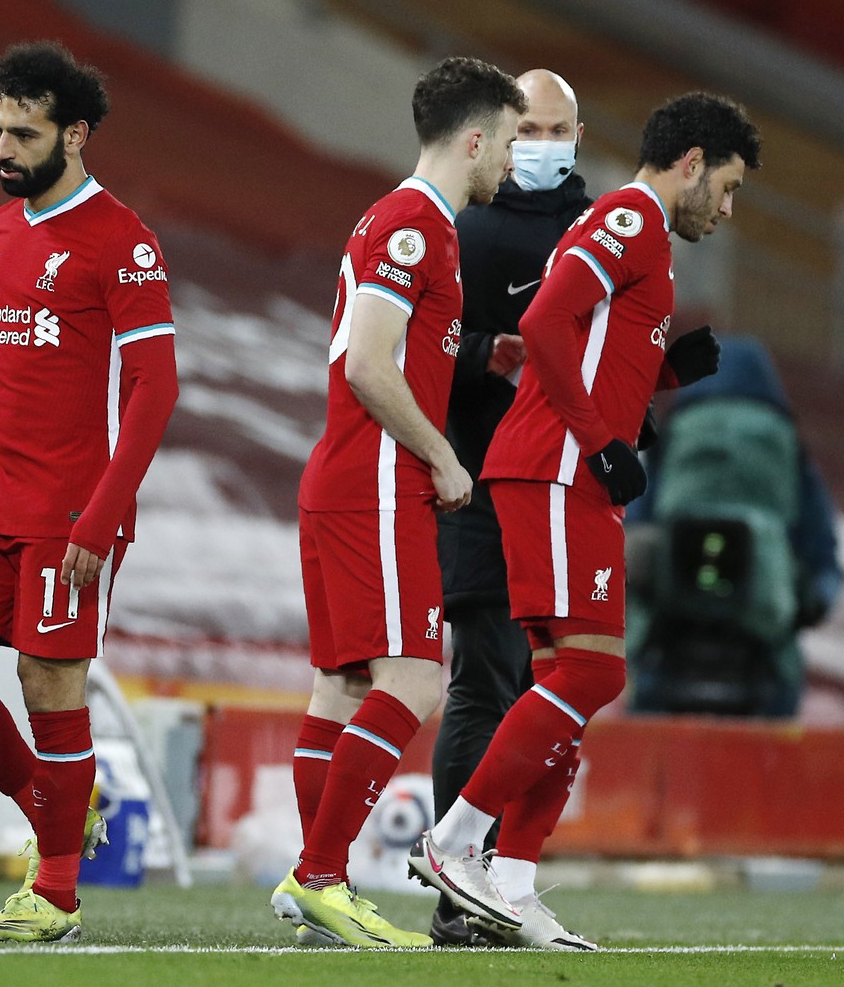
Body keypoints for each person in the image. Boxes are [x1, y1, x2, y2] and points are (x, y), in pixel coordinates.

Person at [410, 92, 761, 950]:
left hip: (561, 471)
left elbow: (591, 348)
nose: (727, 208)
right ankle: (456, 843)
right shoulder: (631, 218)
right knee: (591, 676)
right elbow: (542, 320)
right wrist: (602, 444)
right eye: (727, 186)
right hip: (556, 469)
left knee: (571, 679)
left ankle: (515, 880)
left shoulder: (638, 234)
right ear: (691, 162)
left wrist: (664, 379)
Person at [0, 41, 178, 944]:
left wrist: (101, 518)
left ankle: (54, 892)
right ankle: (55, 799)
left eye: (24, 134)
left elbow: (154, 389)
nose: (3, 149)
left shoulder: (124, 243)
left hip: (71, 511)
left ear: (77, 134)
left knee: (47, 680)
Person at [275, 56, 525, 950]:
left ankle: (317, 890)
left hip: (346, 478)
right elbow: (368, 364)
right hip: (379, 480)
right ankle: (321, 874)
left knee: (340, 686)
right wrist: (442, 456)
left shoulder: (403, 222)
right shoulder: (415, 225)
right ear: (473, 138)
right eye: (508, 138)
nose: (511, 157)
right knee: (415, 678)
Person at [426, 69, 593, 945]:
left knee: (548, 692)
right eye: (528, 128)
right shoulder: (463, 228)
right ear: (499, 131)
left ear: (579, 133)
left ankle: (508, 882)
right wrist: (486, 351)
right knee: (487, 682)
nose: (542, 145)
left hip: (573, 492)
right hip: (484, 487)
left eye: (556, 129)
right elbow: (415, 349)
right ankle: (460, 894)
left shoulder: (598, 227)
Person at [625, 335, 840, 717]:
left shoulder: (670, 439)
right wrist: (808, 599)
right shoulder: (788, 445)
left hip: (671, 649)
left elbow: (629, 539)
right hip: (761, 658)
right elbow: (821, 557)